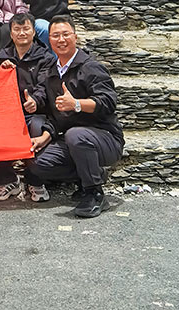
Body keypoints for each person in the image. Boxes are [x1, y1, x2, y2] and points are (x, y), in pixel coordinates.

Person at [25, 15, 124, 217]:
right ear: (49, 40)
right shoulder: (52, 72)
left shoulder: (90, 67)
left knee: (76, 135)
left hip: (106, 138)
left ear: (75, 37)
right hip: (74, 140)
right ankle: (90, 174)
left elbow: (108, 102)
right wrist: (45, 137)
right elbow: (57, 117)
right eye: (55, 36)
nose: (61, 40)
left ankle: (94, 193)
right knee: (38, 163)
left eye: (65, 34)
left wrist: (77, 104)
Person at [0, 11, 56, 201]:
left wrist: (35, 100)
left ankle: (35, 180)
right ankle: (7, 180)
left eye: (26, 29)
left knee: (37, 128)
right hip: (8, 112)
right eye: (17, 29)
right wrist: (0, 72)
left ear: (34, 32)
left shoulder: (46, 58)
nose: (22, 33)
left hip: (37, 112)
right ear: (11, 33)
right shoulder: (1, 58)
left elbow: (45, 86)